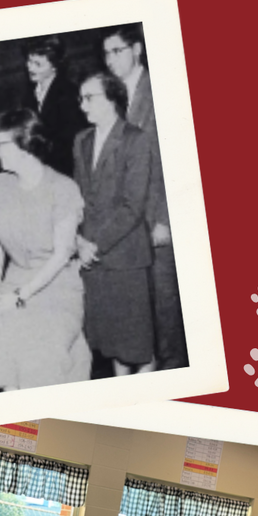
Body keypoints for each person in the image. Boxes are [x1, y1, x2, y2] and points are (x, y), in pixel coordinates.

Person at [0, 109, 91, 390]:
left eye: (0, 143)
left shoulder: (62, 188)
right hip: (13, 282)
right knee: (9, 358)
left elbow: (61, 256)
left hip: (57, 287)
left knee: (40, 363)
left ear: (26, 144)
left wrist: (19, 297)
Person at [103, 25, 187, 370]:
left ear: (136, 49)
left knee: (166, 306)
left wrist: (166, 219)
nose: (110, 60)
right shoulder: (112, 96)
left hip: (157, 219)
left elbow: (177, 160)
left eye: (117, 51)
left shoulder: (160, 91)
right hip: (126, 223)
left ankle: (177, 378)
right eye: (106, 53)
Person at [73, 71, 155, 376]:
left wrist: (95, 243)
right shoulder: (81, 140)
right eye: (80, 98)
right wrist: (78, 241)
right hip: (92, 261)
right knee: (111, 346)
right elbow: (78, 199)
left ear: (112, 99)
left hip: (125, 259)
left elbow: (133, 206)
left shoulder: (136, 139)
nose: (82, 106)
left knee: (138, 348)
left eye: (89, 98)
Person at [22, 35, 85, 177]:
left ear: (54, 66)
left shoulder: (69, 94)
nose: (30, 67)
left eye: (38, 64)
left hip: (61, 171)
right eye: (29, 61)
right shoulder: (30, 94)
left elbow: (69, 144)